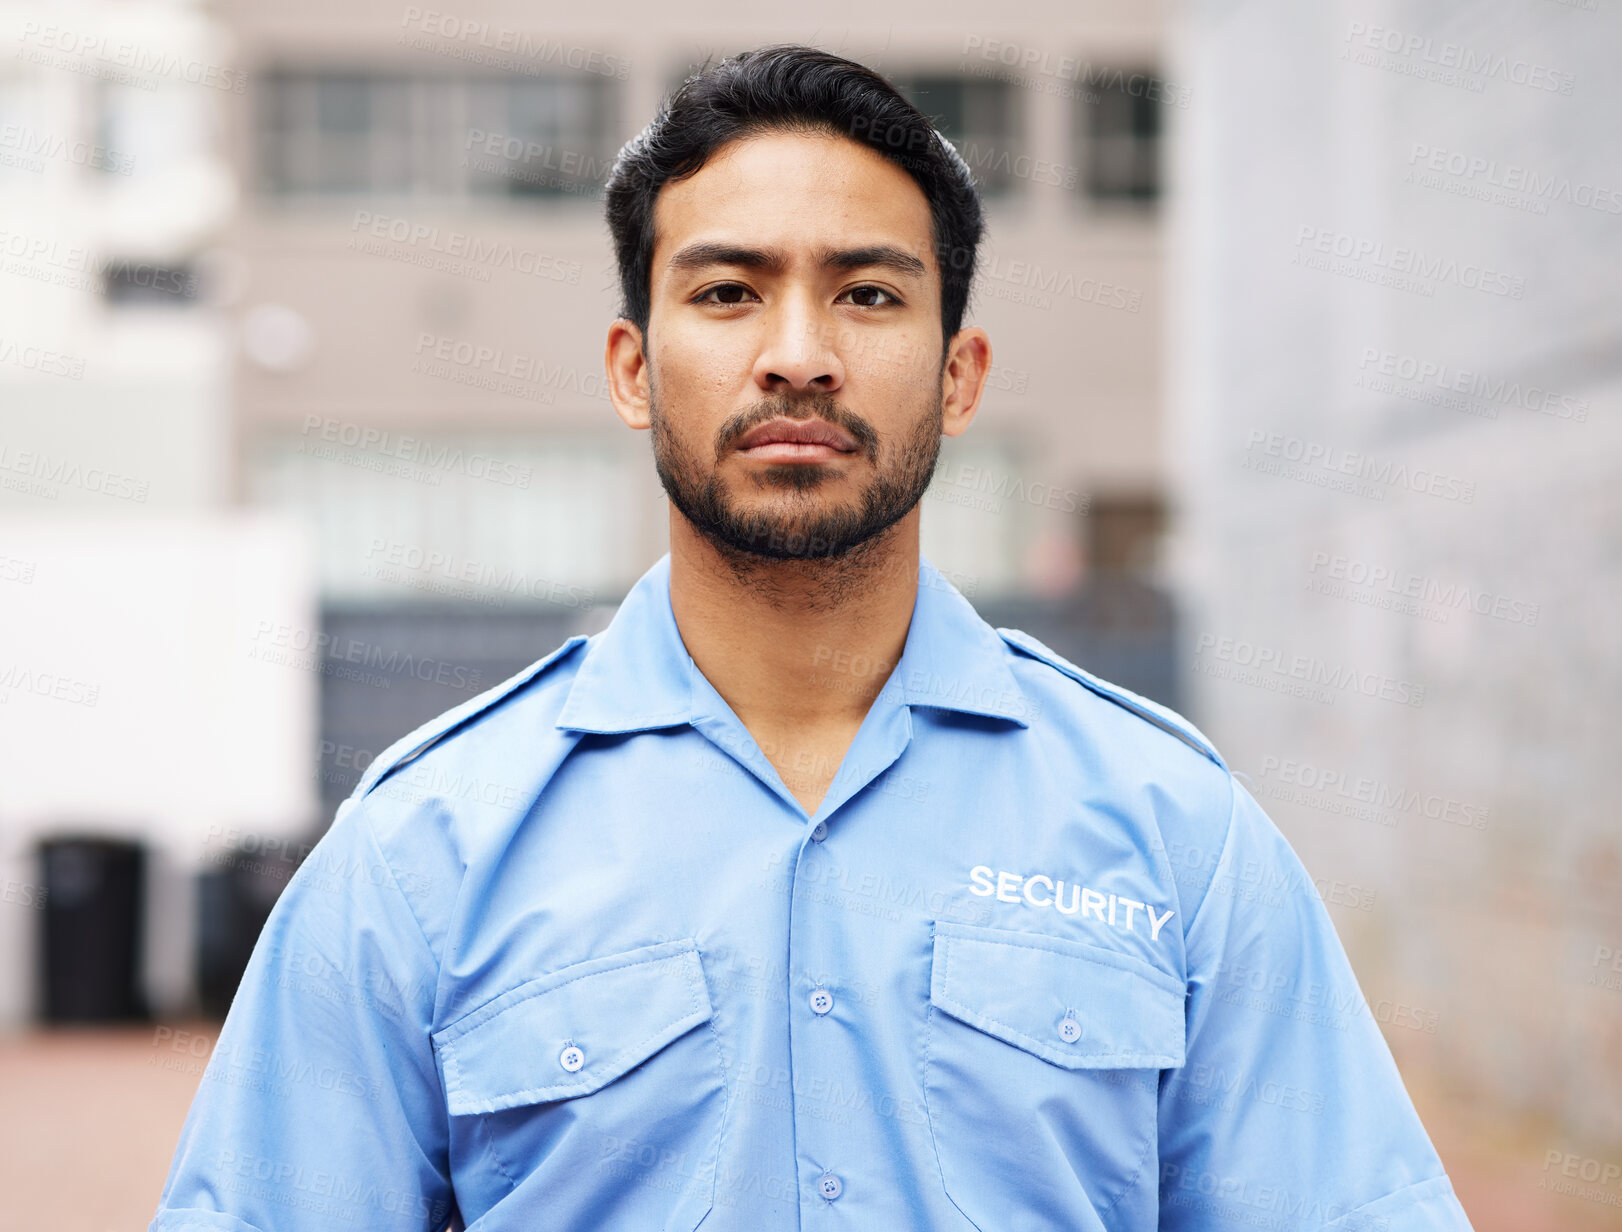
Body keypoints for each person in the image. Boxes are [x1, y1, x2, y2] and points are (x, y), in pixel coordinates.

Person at [150, 45, 1475, 1232]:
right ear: (631, 367)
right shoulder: (421, 852)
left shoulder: (1174, 831)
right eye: (727, 292)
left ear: (959, 375)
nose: (798, 354)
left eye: (869, 296)